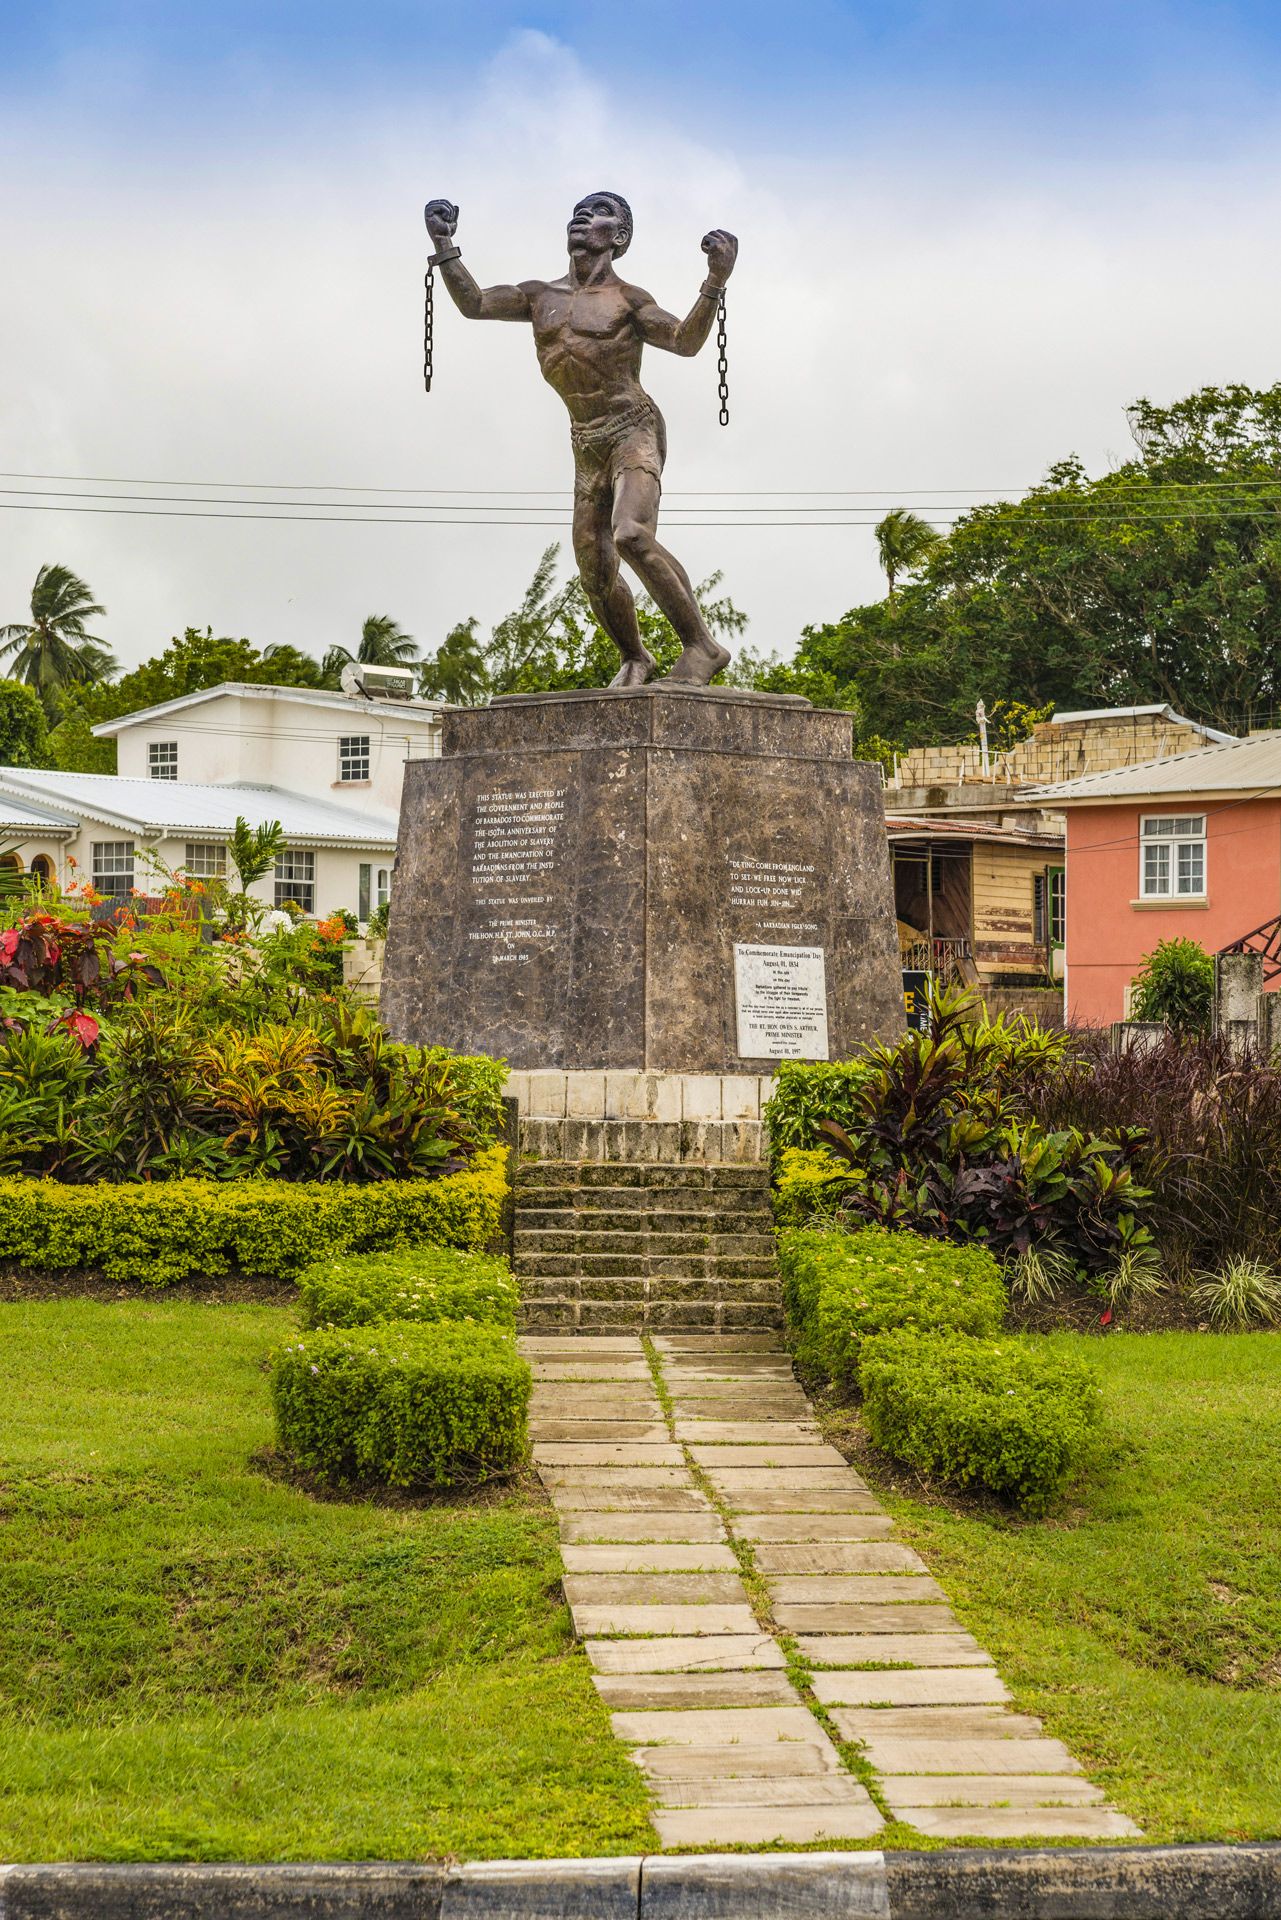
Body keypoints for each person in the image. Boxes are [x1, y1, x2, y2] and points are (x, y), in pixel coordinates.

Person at [424, 190, 739, 687]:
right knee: (593, 569)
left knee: (631, 534)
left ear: (619, 237)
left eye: (600, 211)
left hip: (633, 428)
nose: (583, 216)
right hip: (585, 441)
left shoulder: (629, 301)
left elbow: (685, 341)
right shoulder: (538, 296)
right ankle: (636, 657)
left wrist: (715, 281)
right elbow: (476, 303)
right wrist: (444, 245)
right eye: (579, 210)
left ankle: (701, 645)